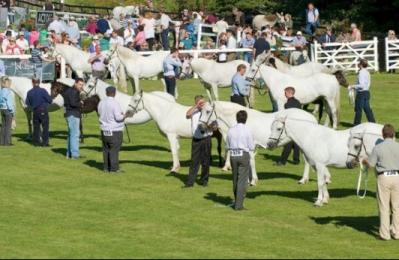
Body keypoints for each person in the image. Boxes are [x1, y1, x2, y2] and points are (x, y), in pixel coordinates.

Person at [362, 124, 399, 241]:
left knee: (384, 207)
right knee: (397, 207)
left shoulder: (378, 148)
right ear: (393, 134)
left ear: (383, 135)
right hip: (397, 177)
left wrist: (364, 161)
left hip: (384, 178)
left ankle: (385, 234)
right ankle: (397, 232)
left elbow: (371, 165)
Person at [98, 86, 131, 173]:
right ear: (115, 93)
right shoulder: (115, 103)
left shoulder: (101, 102)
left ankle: (106, 167)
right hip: (114, 130)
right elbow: (118, 118)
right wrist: (126, 115)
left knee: (106, 149)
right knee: (114, 149)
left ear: (106, 93)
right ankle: (114, 168)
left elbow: (99, 113)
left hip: (104, 129)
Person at [226, 110, 255, 210]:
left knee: (235, 178)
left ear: (236, 118)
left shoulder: (230, 130)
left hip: (233, 155)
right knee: (242, 180)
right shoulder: (248, 130)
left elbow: (227, 145)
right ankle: (239, 205)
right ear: (245, 119)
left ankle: (237, 200)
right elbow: (251, 146)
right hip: (243, 154)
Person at [184, 95, 213, 188]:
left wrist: (210, 126)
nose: (203, 104)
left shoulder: (208, 111)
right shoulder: (194, 111)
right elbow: (187, 115)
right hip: (196, 139)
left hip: (206, 138)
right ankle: (190, 182)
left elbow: (215, 126)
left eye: (203, 102)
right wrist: (196, 106)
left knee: (206, 161)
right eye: (201, 103)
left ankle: (204, 180)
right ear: (196, 103)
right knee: (194, 161)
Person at [274, 87, 302, 166]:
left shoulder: (287, 104)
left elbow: (287, 116)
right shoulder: (298, 102)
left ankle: (282, 161)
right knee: (296, 143)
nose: (284, 94)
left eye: (285, 93)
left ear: (289, 93)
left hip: (290, 126)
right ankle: (296, 160)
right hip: (298, 125)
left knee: (287, 144)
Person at [25, 78, 52, 146]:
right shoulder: (43, 91)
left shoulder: (29, 92)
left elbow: (28, 103)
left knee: (36, 127)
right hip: (43, 109)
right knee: (45, 127)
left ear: (32, 82)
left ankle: (36, 142)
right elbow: (50, 100)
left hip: (35, 110)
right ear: (39, 82)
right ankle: (45, 143)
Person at [62, 78, 84, 159]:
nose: (81, 86)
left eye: (82, 85)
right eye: (80, 84)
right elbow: (73, 103)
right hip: (73, 114)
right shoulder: (74, 91)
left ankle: (69, 153)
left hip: (69, 114)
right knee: (75, 135)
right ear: (75, 83)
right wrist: (80, 103)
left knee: (71, 134)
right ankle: (75, 154)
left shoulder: (68, 90)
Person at [349, 59, 376, 125]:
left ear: (361, 65)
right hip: (366, 92)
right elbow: (367, 84)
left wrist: (353, 86)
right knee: (367, 109)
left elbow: (361, 85)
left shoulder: (361, 72)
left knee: (358, 109)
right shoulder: (367, 72)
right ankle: (373, 123)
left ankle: (356, 124)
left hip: (361, 93)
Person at [0, 77, 15, 146]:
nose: (9, 84)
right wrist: (12, 111)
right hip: (8, 110)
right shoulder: (7, 91)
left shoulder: (1, 90)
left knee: (3, 126)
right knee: (8, 127)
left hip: (2, 109)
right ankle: (7, 142)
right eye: (8, 83)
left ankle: (2, 141)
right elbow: (9, 102)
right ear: (5, 83)